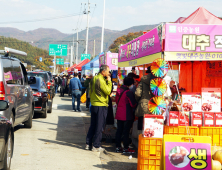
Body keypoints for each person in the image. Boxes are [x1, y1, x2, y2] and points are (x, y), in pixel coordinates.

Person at [85, 65, 112, 152]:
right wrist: (109, 82)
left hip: (94, 104)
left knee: (93, 125)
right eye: (108, 71)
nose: (109, 73)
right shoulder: (101, 80)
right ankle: (96, 145)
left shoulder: (94, 78)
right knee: (99, 126)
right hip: (101, 104)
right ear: (103, 72)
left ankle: (88, 143)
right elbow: (108, 91)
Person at [115, 77, 137, 153]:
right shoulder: (128, 92)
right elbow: (133, 104)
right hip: (126, 114)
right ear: (130, 84)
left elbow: (116, 101)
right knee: (126, 132)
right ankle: (126, 148)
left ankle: (118, 147)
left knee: (119, 131)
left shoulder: (119, 90)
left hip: (119, 114)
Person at [135, 66, 154, 132]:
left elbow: (137, 93)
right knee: (152, 127)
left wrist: (139, 100)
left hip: (143, 105)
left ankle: (141, 141)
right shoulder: (158, 81)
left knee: (142, 127)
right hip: (155, 106)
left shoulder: (142, 81)